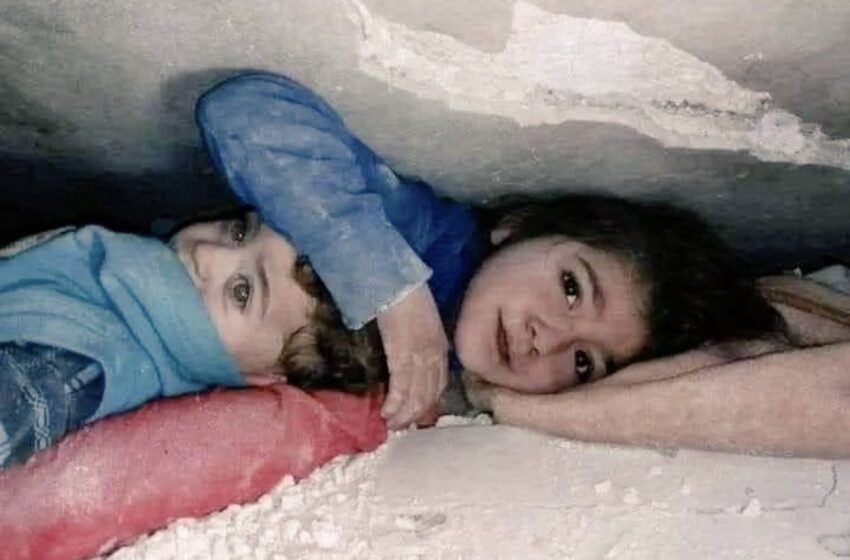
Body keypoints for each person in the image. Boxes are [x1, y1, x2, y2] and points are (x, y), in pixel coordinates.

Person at [194, 72, 785, 431]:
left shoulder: (457, 379)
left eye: (584, 363)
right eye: (572, 287)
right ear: (517, 227)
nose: (548, 339)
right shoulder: (423, 235)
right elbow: (243, 112)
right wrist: (394, 292)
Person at [0, 211, 384, 468]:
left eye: (242, 292)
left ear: (266, 376)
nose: (206, 253)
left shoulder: (81, 364)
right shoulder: (132, 282)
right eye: (239, 232)